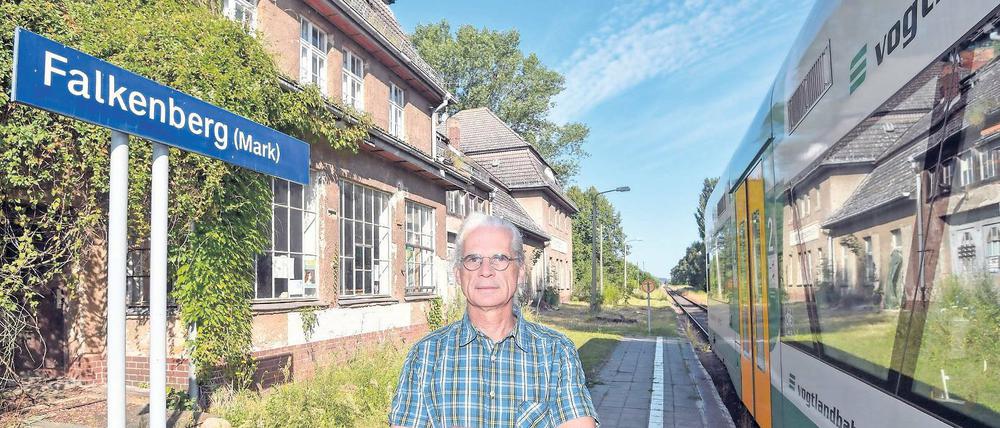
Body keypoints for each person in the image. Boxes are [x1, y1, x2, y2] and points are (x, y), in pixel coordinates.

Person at [389, 213, 598, 428]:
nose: (485, 271)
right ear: (458, 274)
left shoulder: (556, 353)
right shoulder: (425, 356)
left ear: (520, 273)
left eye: (500, 258)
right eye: (473, 259)